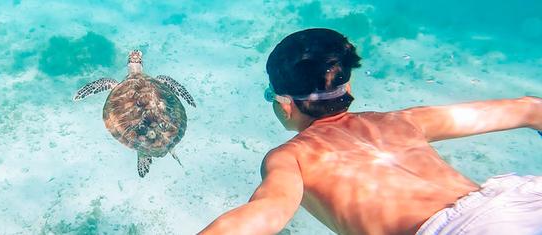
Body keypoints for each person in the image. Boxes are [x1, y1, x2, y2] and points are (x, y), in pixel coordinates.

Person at [200, 28, 542, 235]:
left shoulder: (292, 157)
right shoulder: (403, 120)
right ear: (348, 85)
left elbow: (266, 214)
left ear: (284, 103)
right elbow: (531, 109)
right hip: (524, 206)